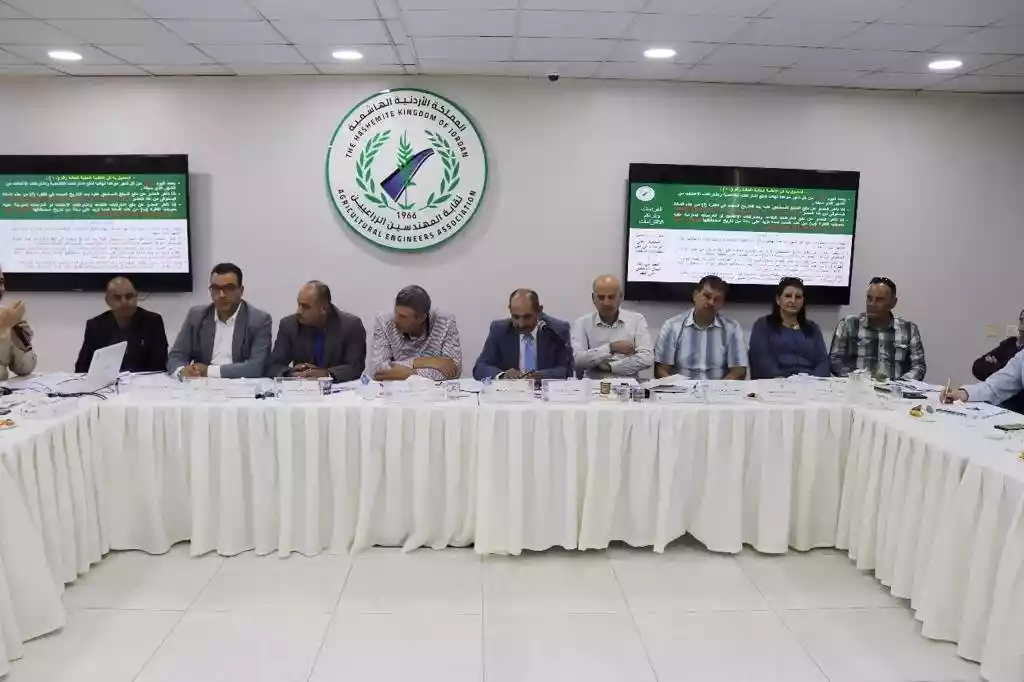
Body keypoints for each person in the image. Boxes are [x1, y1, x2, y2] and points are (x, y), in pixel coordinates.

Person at [167, 263, 272, 379]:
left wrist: (209, 371)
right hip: (202, 385)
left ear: (241, 290)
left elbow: (256, 367)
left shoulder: (259, 320)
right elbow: (176, 356)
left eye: (229, 288)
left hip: (241, 384)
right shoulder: (197, 316)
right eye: (216, 288)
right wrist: (182, 371)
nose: (221, 295)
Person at [829, 276, 926, 381]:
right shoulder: (848, 324)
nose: (872, 304)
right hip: (858, 386)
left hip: (896, 388)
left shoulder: (909, 329)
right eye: (869, 298)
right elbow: (835, 361)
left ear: (893, 303)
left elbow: (918, 367)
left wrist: (899, 385)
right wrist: (859, 379)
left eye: (879, 300)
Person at [269, 281, 366, 382]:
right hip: (301, 387)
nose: (299, 311)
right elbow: (274, 366)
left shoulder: (350, 325)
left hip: (337, 388)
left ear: (323, 309)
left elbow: (355, 367)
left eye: (306, 307)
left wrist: (326, 374)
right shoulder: (289, 325)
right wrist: (291, 373)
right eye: (299, 304)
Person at [654, 275, 747, 380]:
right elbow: (661, 369)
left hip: (718, 388)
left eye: (717, 299)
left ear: (722, 304)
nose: (711, 302)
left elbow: (739, 371)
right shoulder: (672, 326)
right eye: (707, 296)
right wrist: (676, 387)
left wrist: (720, 388)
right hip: (680, 388)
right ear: (695, 296)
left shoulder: (732, 329)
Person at [473, 289, 573, 380]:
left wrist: (541, 376)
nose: (521, 324)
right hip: (512, 391)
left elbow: (566, 369)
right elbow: (480, 367)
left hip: (546, 391)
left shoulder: (556, 330)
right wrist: (503, 375)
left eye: (527, 317)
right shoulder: (499, 330)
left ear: (539, 311)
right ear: (510, 310)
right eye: (516, 317)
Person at [75, 277, 168, 373]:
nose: (124, 302)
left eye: (129, 296)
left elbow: (159, 365)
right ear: (108, 301)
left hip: (142, 380)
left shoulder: (153, 322)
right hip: (106, 380)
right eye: (117, 298)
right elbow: (82, 368)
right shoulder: (95, 325)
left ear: (136, 297)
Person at [370, 285, 461, 381]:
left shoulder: (445, 322)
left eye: (403, 317)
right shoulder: (385, 322)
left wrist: (400, 372)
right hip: (396, 389)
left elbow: (454, 371)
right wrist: (424, 362)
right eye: (396, 312)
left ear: (422, 318)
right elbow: (377, 371)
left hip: (434, 389)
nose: (396, 320)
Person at [571, 274, 653, 380]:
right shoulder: (581, 323)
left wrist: (610, 367)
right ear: (593, 298)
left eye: (611, 297)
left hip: (628, 386)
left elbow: (647, 359)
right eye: (601, 297)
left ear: (621, 297)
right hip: (593, 386)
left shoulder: (637, 320)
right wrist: (611, 348)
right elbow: (577, 361)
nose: (606, 303)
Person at [748, 277, 830, 379]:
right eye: (788, 296)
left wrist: (814, 380)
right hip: (776, 383)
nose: (793, 300)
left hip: (810, 382)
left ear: (803, 301)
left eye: (798, 297)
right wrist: (782, 381)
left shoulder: (812, 328)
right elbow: (761, 360)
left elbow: (823, 362)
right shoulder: (763, 325)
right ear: (778, 300)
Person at [969, 309, 1024, 413]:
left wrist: (997, 366)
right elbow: (978, 368)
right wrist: (964, 393)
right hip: (999, 402)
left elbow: (1012, 384)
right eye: (1021, 321)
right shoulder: (1010, 344)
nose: (1021, 328)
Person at [0, 266, 36, 381]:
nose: (1, 289)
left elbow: (24, 369)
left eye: (1, 282)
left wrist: (23, 344)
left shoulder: (8, 316)